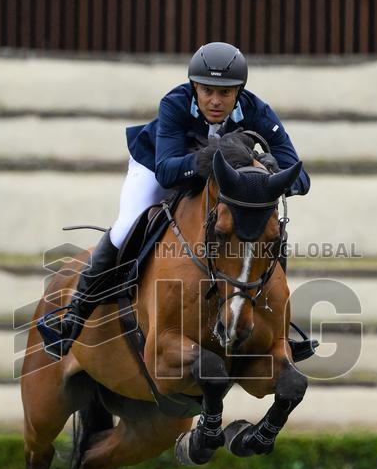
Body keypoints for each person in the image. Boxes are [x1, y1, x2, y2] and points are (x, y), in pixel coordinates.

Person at [48, 41, 311, 358]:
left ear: (239, 91)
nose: (215, 101)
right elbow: (167, 173)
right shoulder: (174, 103)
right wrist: (207, 158)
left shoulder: (258, 111)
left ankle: (277, 323)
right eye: (206, 90)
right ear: (194, 86)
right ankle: (75, 315)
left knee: (266, 229)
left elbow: (300, 178)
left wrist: (266, 172)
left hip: (224, 184)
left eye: (225, 93)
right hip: (156, 166)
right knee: (127, 223)